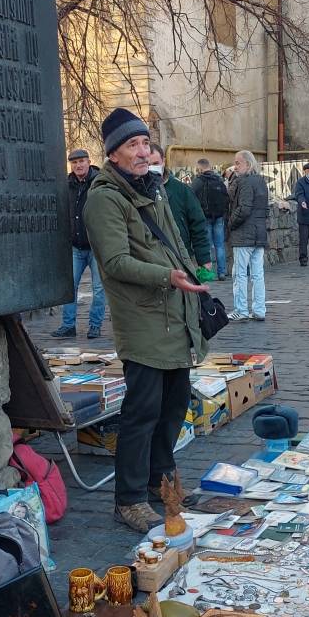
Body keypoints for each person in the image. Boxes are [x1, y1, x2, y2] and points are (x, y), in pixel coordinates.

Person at [83, 108, 209, 532]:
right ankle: (129, 499)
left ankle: (163, 480)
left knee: (174, 406)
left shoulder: (152, 189)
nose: (143, 151)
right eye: (132, 145)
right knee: (142, 413)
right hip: (142, 320)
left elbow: (175, 243)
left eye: (144, 143)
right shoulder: (103, 197)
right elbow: (115, 262)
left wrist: (191, 270)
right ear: (113, 155)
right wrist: (167, 276)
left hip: (175, 315)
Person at [53, 148, 106, 340]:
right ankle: (68, 326)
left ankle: (95, 325)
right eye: (74, 162)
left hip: (96, 247)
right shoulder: (67, 184)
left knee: (99, 289)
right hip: (75, 246)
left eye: (81, 161)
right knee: (69, 288)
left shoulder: (99, 182)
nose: (78, 165)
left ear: (89, 162)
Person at [149, 143, 212, 274]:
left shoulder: (181, 190)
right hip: (151, 260)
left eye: (155, 163)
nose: (152, 168)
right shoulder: (135, 192)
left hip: (181, 256)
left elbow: (198, 224)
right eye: (147, 164)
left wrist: (204, 258)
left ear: (163, 162)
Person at [227, 150, 270, 322]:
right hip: (259, 233)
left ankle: (241, 309)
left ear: (248, 164)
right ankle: (259, 309)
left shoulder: (243, 182)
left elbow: (243, 208)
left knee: (240, 274)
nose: (235, 167)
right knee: (257, 274)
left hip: (244, 233)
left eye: (238, 163)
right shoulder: (261, 181)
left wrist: (231, 223)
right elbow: (264, 209)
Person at [191, 158, 230, 280]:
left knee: (207, 246)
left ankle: (210, 272)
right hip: (219, 217)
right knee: (220, 245)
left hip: (205, 217)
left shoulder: (198, 182)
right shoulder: (219, 180)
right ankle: (222, 272)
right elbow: (226, 198)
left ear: (200, 168)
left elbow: (191, 199)